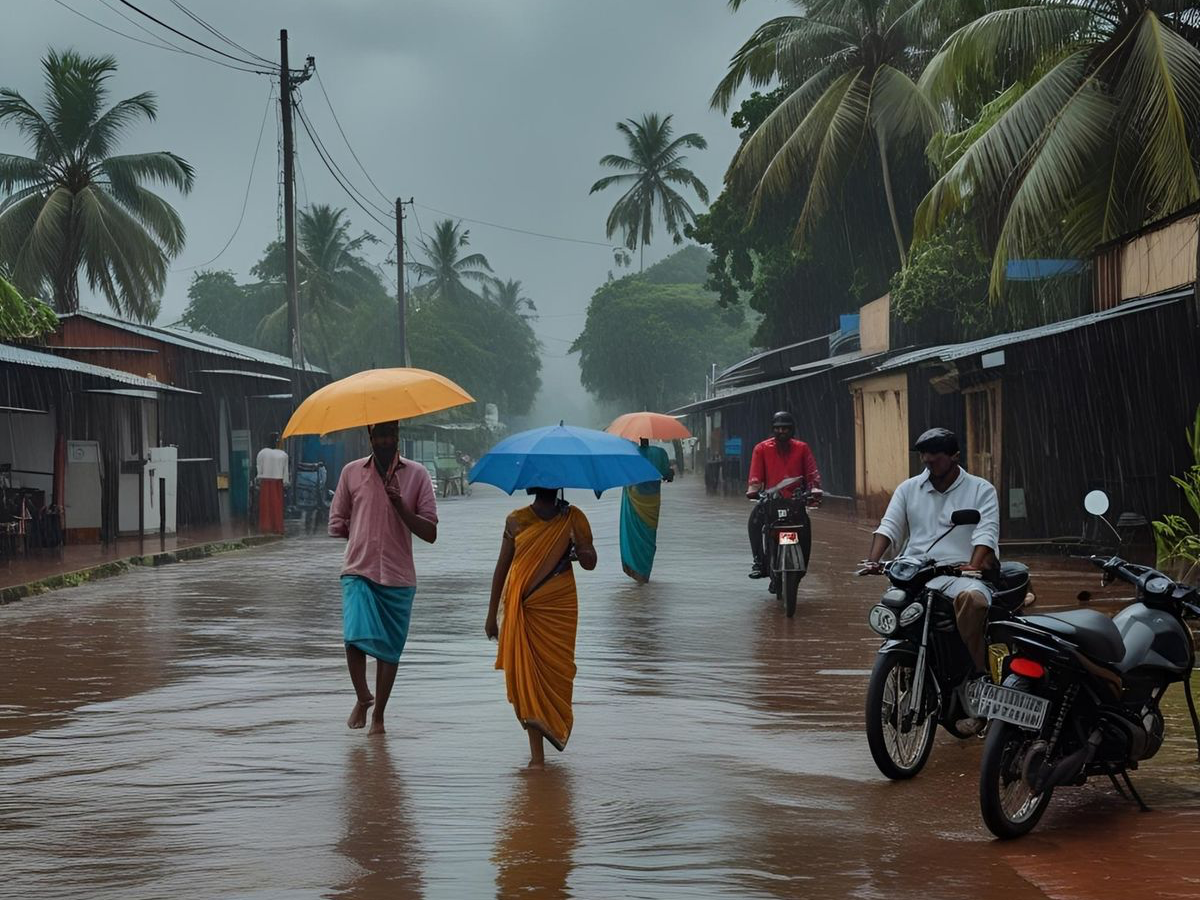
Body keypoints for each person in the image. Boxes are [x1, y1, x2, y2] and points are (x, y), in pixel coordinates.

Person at [860, 427, 1000, 700]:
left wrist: (973, 565)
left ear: (955, 457)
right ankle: (903, 666)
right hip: (916, 574)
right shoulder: (908, 488)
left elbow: (987, 532)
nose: (929, 463)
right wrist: (873, 560)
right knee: (892, 606)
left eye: (936, 459)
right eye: (925, 459)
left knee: (974, 602)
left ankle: (979, 673)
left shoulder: (981, 490)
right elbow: (889, 526)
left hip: (961, 575)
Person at [329, 420, 438, 736]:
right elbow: (337, 523)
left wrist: (399, 504)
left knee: (390, 649)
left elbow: (430, 532)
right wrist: (364, 529)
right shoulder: (351, 472)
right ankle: (363, 695)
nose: (386, 441)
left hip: (399, 574)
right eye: (380, 435)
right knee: (353, 633)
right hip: (357, 568)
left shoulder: (417, 475)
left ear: (399, 436)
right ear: (370, 437)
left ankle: (379, 718)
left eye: (391, 434)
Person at [485, 487, 597, 767]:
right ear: (531, 486)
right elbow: (502, 567)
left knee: (557, 673)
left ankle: (550, 732)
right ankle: (537, 757)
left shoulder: (574, 518)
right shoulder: (516, 521)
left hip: (559, 609)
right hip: (523, 608)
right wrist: (490, 614)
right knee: (527, 678)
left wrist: (578, 549)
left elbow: (590, 561)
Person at [745, 411, 822, 578]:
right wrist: (753, 490)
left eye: (785, 428)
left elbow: (812, 474)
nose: (781, 431)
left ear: (792, 430)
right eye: (778, 428)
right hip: (771, 501)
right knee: (754, 522)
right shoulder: (762, 448)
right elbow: (755, 477)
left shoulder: (802, 448)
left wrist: (814, 490)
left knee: (805, 529)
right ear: (773, 430)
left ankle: (802, 568)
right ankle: (759, 561)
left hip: (795, 501)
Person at [619, 437, 673, 583]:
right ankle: (645, 573)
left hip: (634, 500)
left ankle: (638, 574)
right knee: (649, 538)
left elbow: (622, 475)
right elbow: (668, 476)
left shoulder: (630, 454)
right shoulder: (660, 453)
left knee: (635, 536)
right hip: (653, 502)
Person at [256, 433, 289, 535]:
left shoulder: (262, 453)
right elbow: (285, 471)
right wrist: (286, 482)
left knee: (266, 505)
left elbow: (259, 468)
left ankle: (266, 527)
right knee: (277, 505)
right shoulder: (283, 454)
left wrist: (259, 477)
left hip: (265, 481)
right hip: (277, 482)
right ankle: (277, 526)